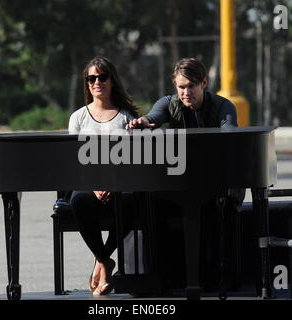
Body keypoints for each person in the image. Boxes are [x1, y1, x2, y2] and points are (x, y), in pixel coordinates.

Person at [127, 57, 245, 293]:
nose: (186, 92)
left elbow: (229, 135)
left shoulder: (224, 106)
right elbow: (154, 117)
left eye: (191, 86)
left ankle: (224, 279)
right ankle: (162, 279)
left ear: (204, 83)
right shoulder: (168, 103)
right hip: (181, 185)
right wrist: (143, 122)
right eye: (181, 87)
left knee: (225, 212)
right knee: (150, 205)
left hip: (216, 183)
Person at [68, 56, 138, 295]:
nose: (97, 82)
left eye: (102, 77)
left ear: (112, 80)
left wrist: (113, 184)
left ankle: (102, 261)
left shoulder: (127, 116)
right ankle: (105, 260)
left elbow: (134, 159)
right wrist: (95, 184)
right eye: (91, 78)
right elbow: (75, 160)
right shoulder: (78, 118)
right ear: (87, 83)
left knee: (132, 203)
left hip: (122, 184)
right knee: (78, 200)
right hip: (89, 184)